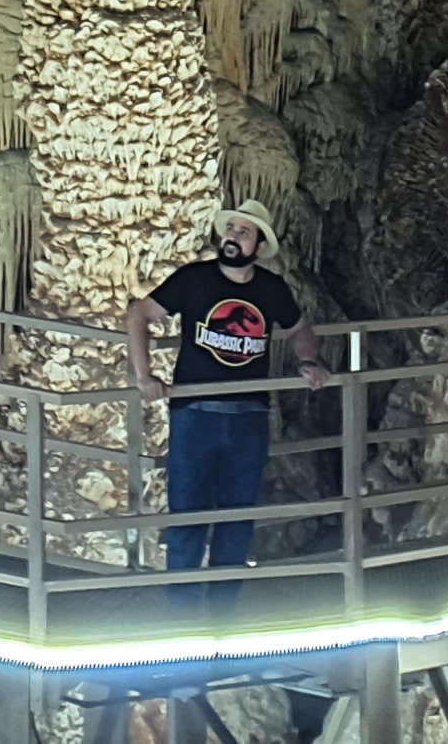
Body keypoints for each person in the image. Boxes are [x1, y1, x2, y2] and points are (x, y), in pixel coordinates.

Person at [126, 199, 328, 581]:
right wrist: (144, 375)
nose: (233, 238)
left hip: (249, 415)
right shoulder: (194, 279)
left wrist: (308, 361)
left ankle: (224, 609)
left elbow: (301, 329)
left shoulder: (271, 289)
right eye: (231, 230)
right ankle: (181, 613)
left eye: (244, 232)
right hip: (194, 412)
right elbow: (138, 315)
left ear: (260, 248)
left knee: (237, 518)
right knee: (188, 516)